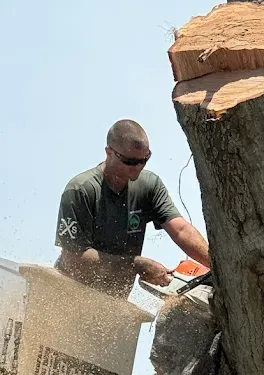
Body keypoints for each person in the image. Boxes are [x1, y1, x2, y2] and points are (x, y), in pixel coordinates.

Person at [55, 119, 210, 298]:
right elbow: (73, 259)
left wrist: (218, 264)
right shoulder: (81, 190)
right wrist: (135, 265)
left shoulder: (149, 185)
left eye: (144, 160)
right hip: (68, 296)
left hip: (115, 302)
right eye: (129, 161)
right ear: (109, 153)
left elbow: (181, 229)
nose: (138, 167)